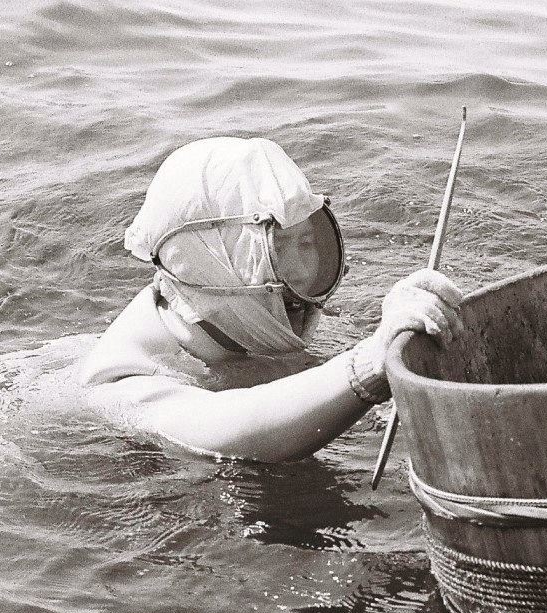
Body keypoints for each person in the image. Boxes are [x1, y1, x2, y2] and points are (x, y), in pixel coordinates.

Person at [79, 136, 464, 463]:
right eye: (276, 245)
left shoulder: (246, 330)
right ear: (207, 260)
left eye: (308, 242)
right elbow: (224, 427)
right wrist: (369, 361)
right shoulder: (121, 383)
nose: (301, 272)